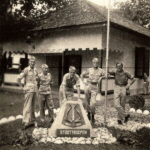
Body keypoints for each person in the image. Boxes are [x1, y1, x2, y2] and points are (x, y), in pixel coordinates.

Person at [81, 58, 105, 123]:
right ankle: (88, 114)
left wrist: (100, 78)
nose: (95, 64)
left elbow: (106, 75)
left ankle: (93, 116)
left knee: (93, 103)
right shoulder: (89, 69)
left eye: (97, 62)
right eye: (94, 62)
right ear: (92, 63)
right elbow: (82, 75)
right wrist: (83, 81)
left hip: (94, 87)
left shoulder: (101, 70)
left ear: (98, 63)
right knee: (87, 101)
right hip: (88, 86)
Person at [17, 56, 38, 129]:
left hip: (34, 90)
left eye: (34, 61)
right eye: (31, 61)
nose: (33, 63)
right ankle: (25, 122)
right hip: (28, 90)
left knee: (33, 106)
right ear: (29, 62)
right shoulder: (26, 70)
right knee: (27, 106)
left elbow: (36, 79)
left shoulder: (35, 70)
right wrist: (22, 88)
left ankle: (32, 120)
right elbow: (18, 79)